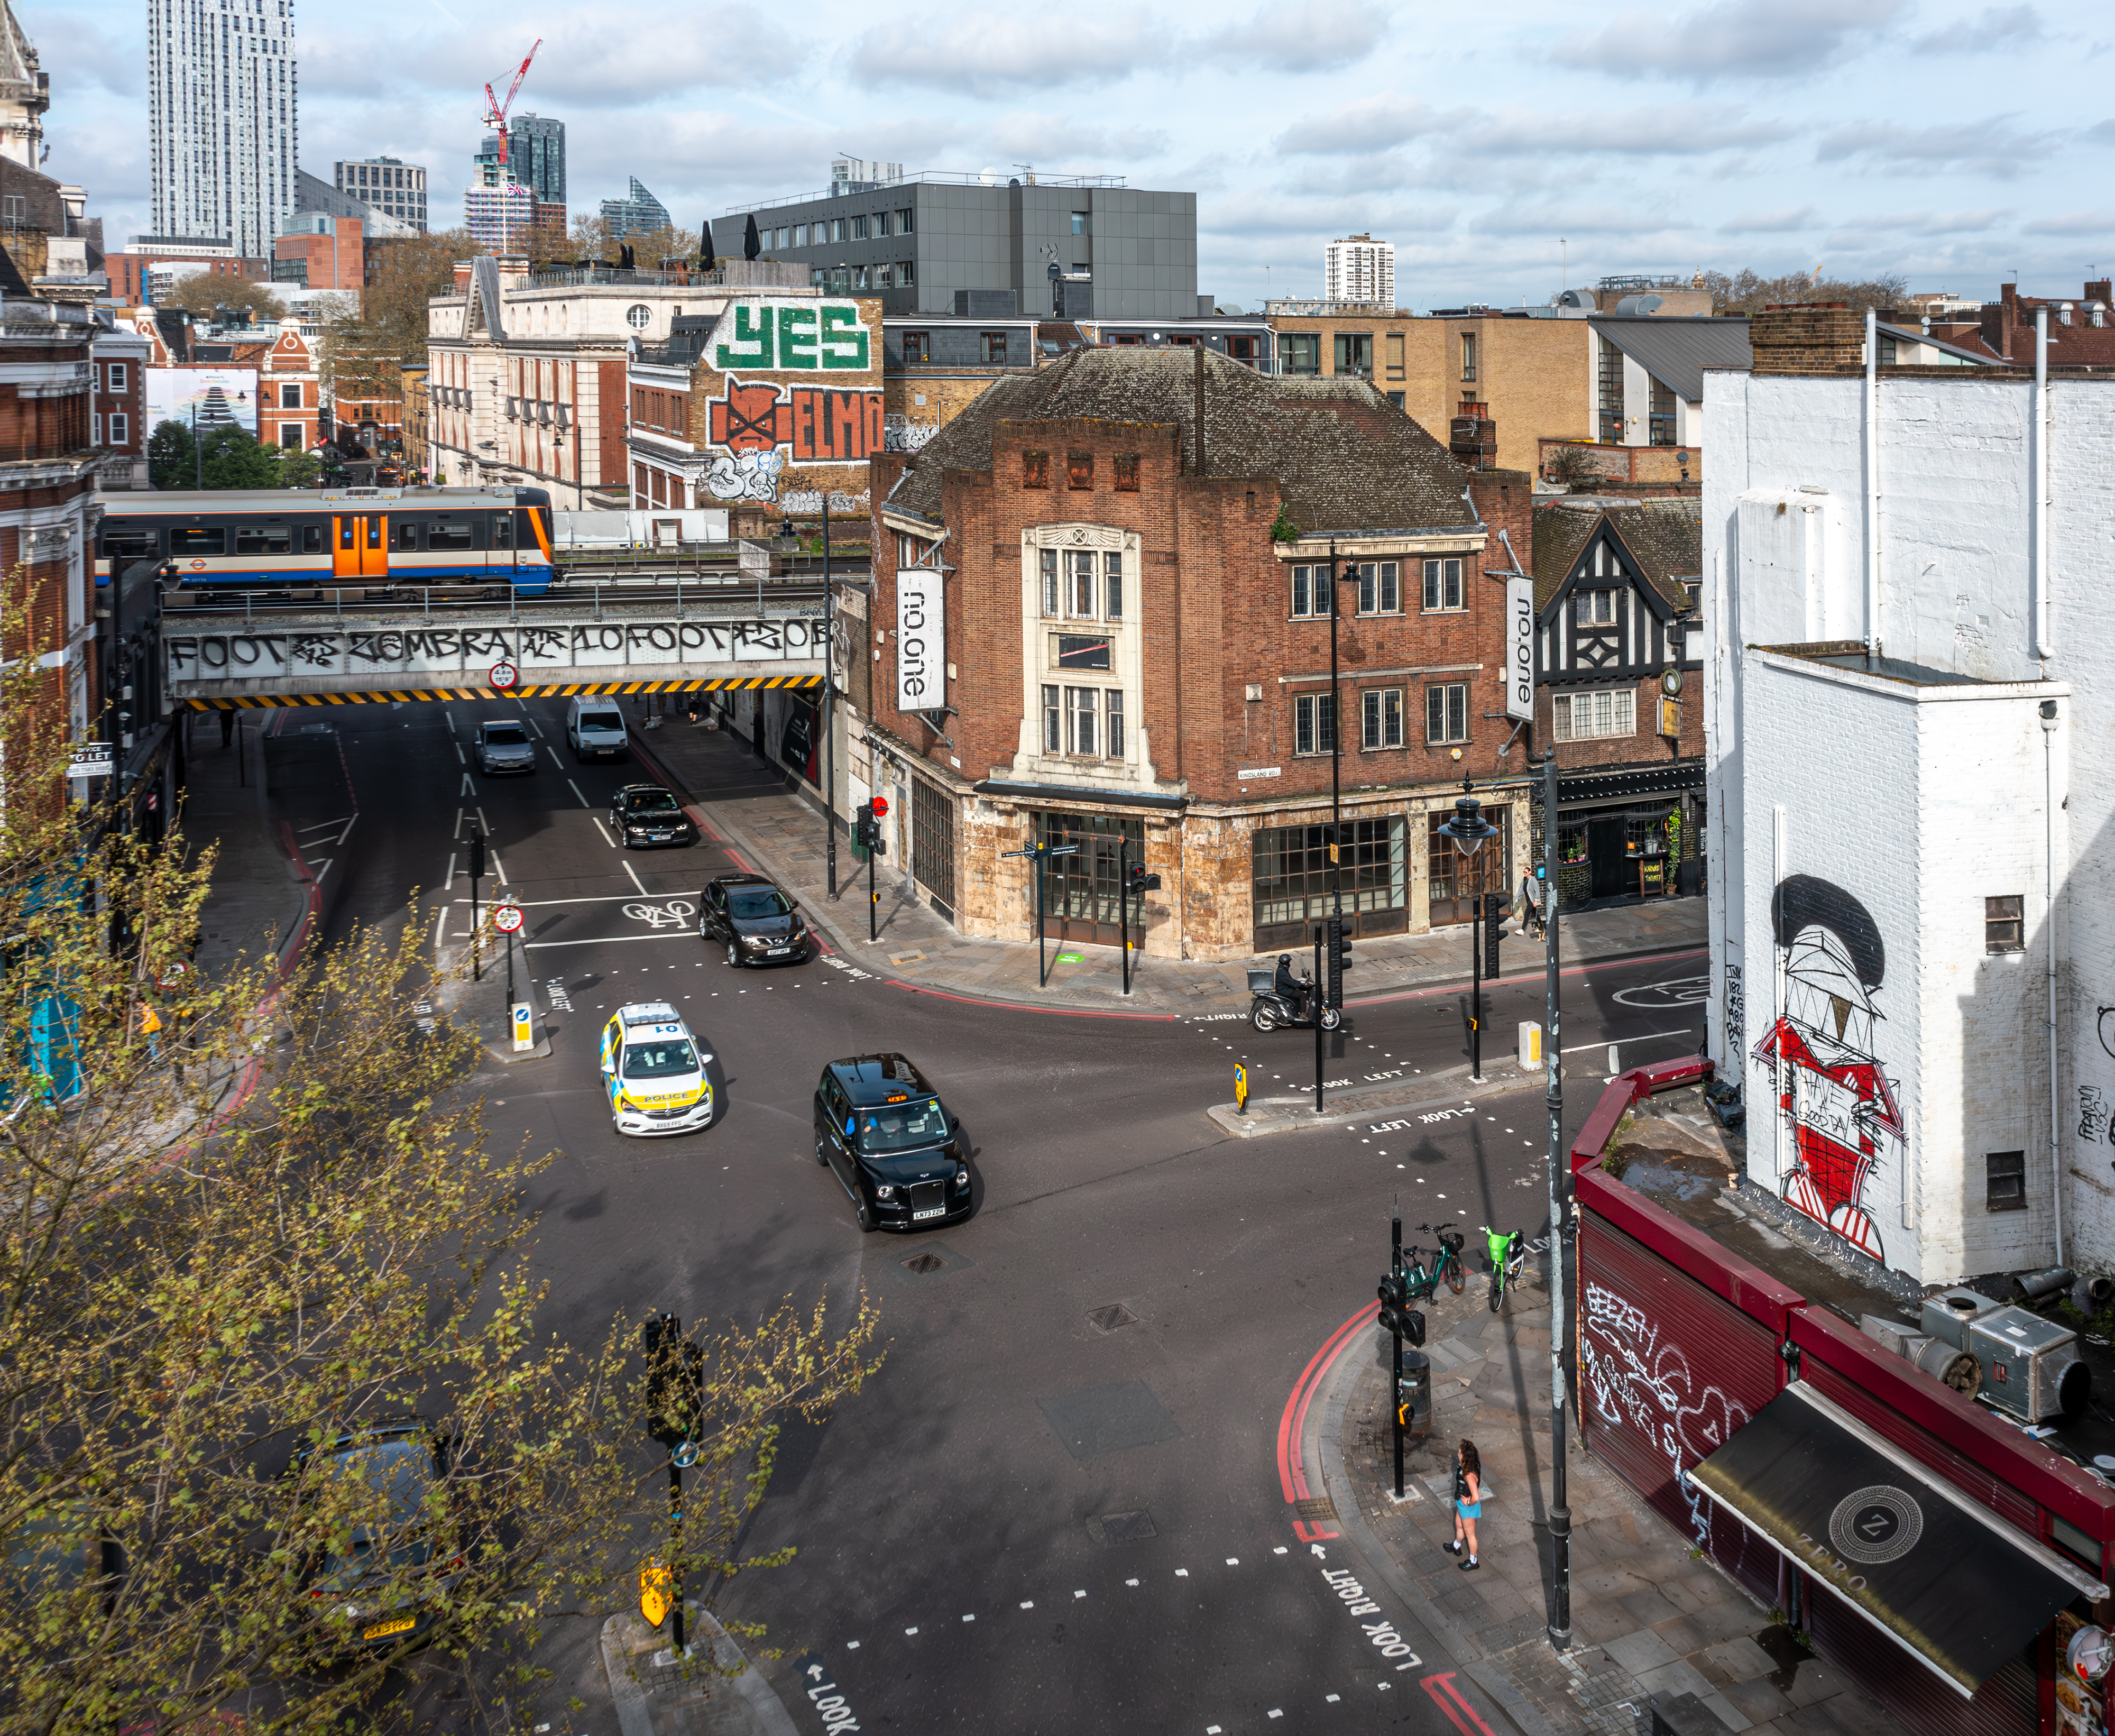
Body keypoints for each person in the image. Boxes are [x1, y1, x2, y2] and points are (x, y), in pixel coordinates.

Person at [1447, 1438, 1483, 1570]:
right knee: (1459, 1525)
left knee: (1470, 1534)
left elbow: (1476, 1497)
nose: (1458, 1454)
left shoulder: (1469, 1475)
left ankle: (1474, 1561)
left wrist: (1468, 1502)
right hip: (1462, 1504)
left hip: (1468, 1507)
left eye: (1460, 1453)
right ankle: (1456, 1546)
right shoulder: (1467, 1466)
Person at [1273, 953, 1305, 1022]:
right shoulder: (1282, 971)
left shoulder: (1283, 968)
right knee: (1302, 995)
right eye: (1289, 962)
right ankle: (1303, 1013)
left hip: (1285, 988)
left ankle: (1298, 1010)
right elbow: (1290, 982)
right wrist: (1300, 985)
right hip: (1284, 990)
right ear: (1286, 962)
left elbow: (1290, 981)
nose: (1290, 964)